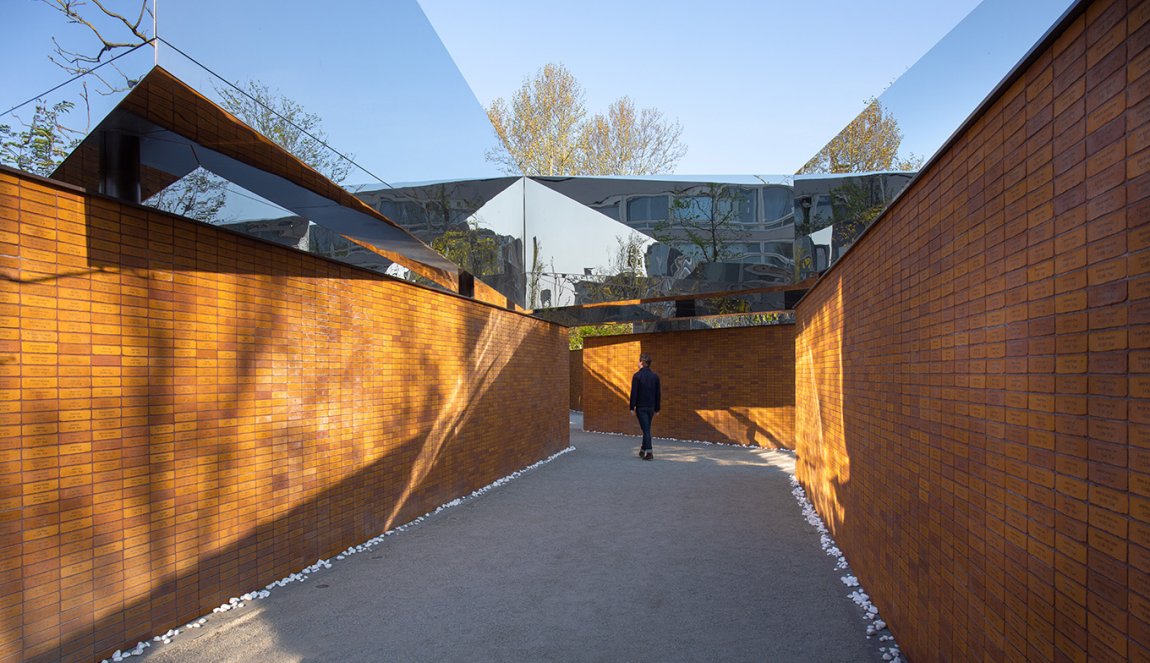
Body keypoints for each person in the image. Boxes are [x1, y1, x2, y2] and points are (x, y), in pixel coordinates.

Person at [629, 352, 661, 461]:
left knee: (646, 430)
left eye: (639, 361)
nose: (637, 363)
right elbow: (658, 393)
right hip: (651, 407)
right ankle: (643, 450)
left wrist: (632, 407)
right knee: (646, 428)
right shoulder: (655, 377)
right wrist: (657, 408)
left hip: (641, 407)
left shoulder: (637, 376)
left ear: (642, 363)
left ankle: (649, 452)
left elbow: (634, 393)